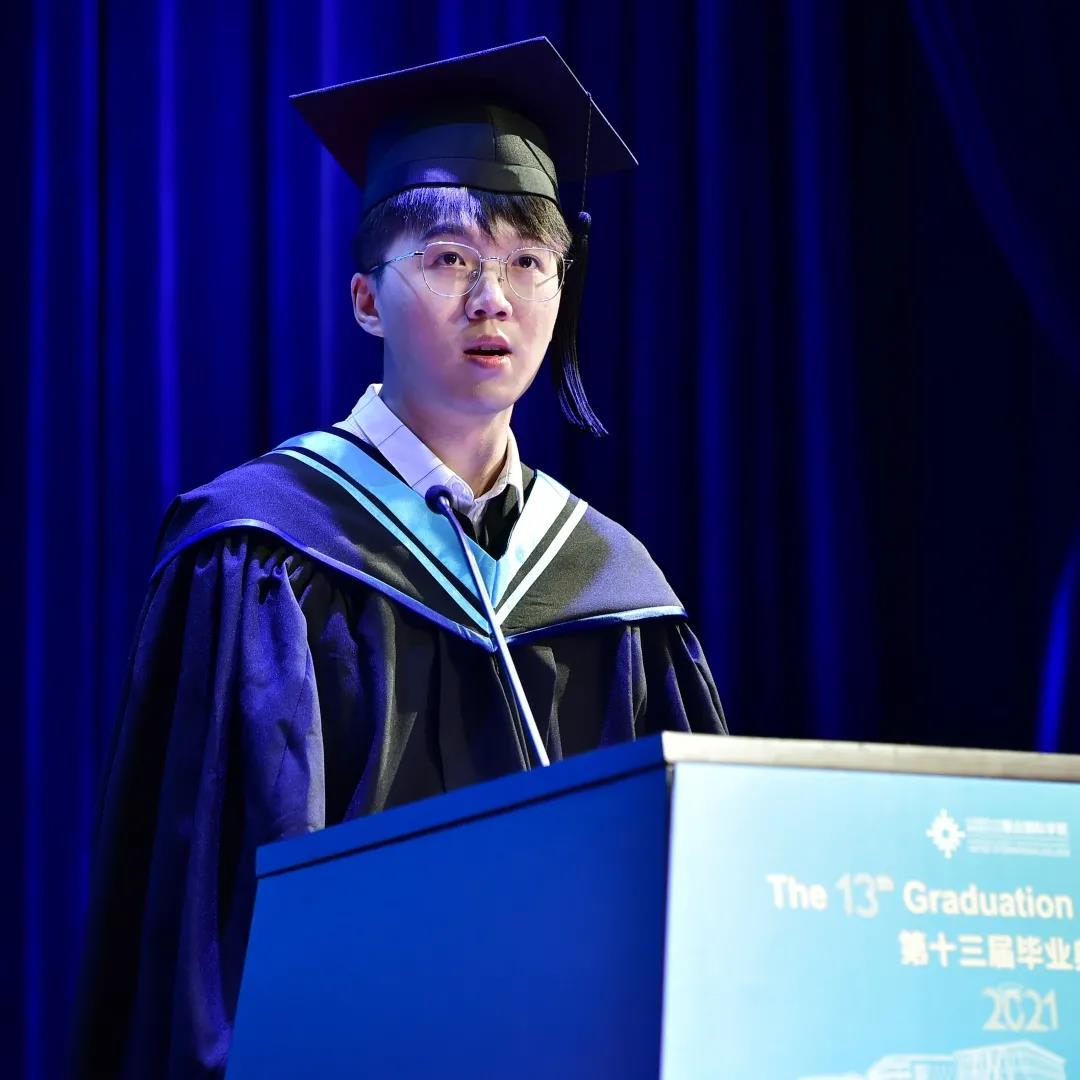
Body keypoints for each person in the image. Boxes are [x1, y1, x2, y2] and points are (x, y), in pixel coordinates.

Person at [72, 37, 727, 1079]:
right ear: (367, 299)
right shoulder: (261, 553)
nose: (493, 298)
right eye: (449, 259)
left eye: (528, 262)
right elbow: (205, 930)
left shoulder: (616, 589)